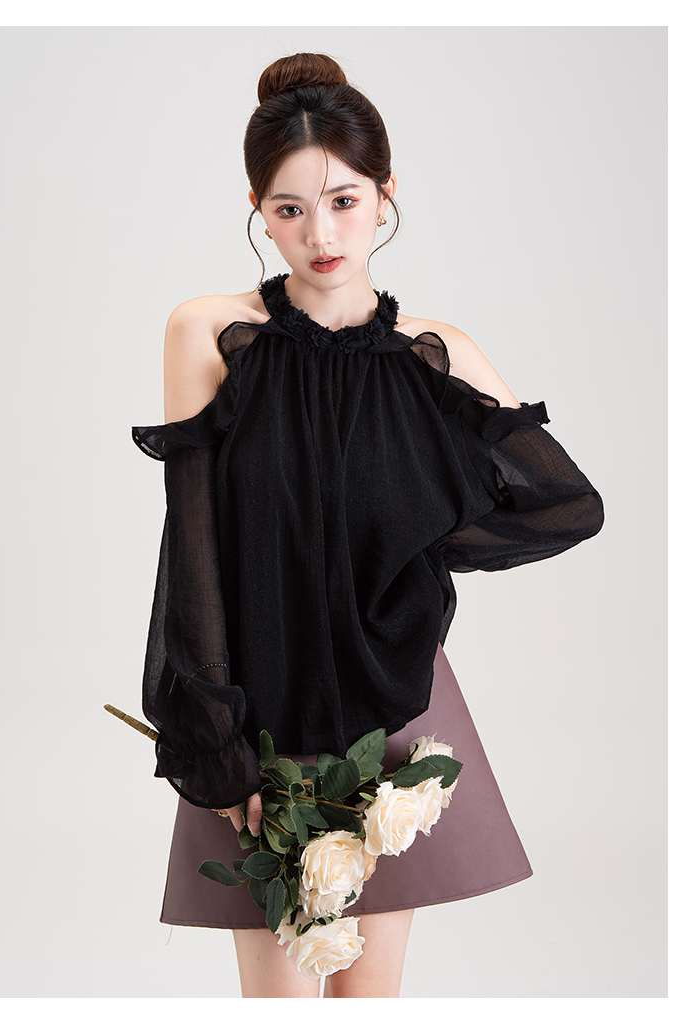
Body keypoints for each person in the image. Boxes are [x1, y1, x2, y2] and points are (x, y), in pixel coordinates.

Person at [132, 52, 604, 999]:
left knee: (368, 1003)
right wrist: (214, 736)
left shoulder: (434, 357)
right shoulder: (211, 334)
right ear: (258, 209)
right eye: (290, 209)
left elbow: (566, 503)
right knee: (280, 1001)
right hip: (255, 705)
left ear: (387, 194)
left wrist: (409, 548)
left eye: (344, 201)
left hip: (393, 703)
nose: (320, 233)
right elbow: (193, 551)